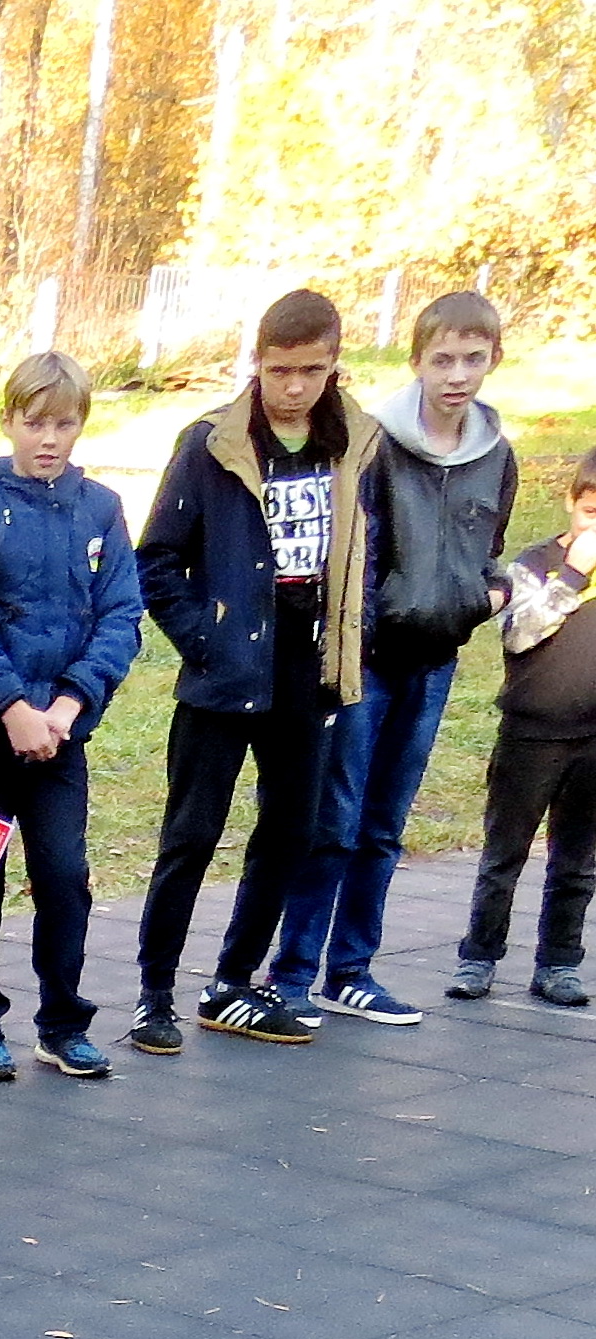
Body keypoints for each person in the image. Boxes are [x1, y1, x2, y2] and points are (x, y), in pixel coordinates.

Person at [128, 288, 381, 1052]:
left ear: (336, 365)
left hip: (309, 662)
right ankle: (155, 992)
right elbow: (157, 559)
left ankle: (234, 982)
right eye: (279, 370)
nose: (294, 386)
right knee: (193, 834)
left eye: (311, 370)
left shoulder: (358, 441)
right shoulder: (210, 442)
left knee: (289, 832)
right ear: (257, 364)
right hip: (227, 659)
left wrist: (349, 634)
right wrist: (205, 638)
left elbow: (370, 550)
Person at [268, 292, 519, 1027]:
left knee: (385, 825)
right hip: (367, 662)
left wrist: (485, 596)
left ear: (493, 362)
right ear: (416, 362)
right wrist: (362, 636)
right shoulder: (375, 443)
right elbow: (357, 553)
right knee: (335, 820)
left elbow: (489, 549)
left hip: (435, 661)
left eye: (474, 359)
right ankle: (292, 971)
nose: (457, 374)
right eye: (442, 358)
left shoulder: (495, 455)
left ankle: (353, 969)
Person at [0, 350, 145, 1083]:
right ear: (8, 422)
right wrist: (11, 706)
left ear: (82, 424)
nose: (48, 438)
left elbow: (122, 614)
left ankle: (62, 1020)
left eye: (63, 423)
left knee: (63, 875)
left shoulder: (101, 510)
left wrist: (67, 703)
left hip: (61, 736)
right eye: (34, 423)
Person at [453, 448, 596, 1009]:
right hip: (532, 732)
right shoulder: (535, 565)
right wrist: (574, 573)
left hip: (594, 738)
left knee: (577, 861)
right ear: (569, 504)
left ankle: (559, 962)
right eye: (589, 512)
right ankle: (479, 955)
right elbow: (519, 633)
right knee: (504, 853)